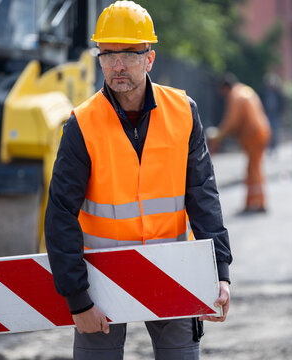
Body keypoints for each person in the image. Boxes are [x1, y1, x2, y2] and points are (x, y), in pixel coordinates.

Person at [44, 2, 232, 359]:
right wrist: (78, 300)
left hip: (172, 269)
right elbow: (60, 215)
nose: (117, 65)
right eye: (108, 54)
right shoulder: (81, 124)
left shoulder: (183, 112)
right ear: (98, 58)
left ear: (150, 58)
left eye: (129, 54)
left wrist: (219, 271)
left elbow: (202, 196)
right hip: (99, 278)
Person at [209, 73, 271, 214]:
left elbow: (232, 121)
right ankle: (253, 202)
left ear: (225, 88)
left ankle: (257, 203)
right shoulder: (245, 90)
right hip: (261, 131)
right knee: (253, 168)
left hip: (253, 134)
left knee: (253, 169)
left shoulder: (235, 96)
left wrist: (219, 134)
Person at [261, 73, 284, 154]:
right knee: (267, 131)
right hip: (266, 114)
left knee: (274, 132)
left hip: (275, 115)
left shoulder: (278, 93)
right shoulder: (264, 92)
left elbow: (282, 104)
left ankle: (273, 147)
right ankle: (268, 147)